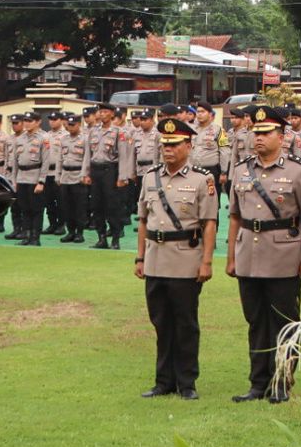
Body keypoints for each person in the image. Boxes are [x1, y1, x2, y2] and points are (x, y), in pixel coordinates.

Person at [226, 106, 301, 403]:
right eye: (256, 133)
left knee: (284, 322)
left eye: (266, 133)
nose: (259, 139)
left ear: (282, 136)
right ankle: (258, 382)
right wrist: (231, 257)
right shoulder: (242, 169)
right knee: (255, 321)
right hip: (249, 254)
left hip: (283, 254)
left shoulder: (298, 170)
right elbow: (234, 217)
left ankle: (281, 381)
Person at [134, 116, 217, 399]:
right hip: (156, 259)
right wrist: (139, 258)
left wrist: (206, 261)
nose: (167, 149)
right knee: (161, 322)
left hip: (185, 259)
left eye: (174, 144)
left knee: (185, 323)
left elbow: (209, 223)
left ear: (188, 145)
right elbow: (143, 220)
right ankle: (164, 380)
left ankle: (187, 382)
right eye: (164, 144)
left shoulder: (202, 179)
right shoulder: (149, 177)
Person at [87, 102, 132, 250]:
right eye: (101, 112)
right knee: (96, 206)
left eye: (106, 112)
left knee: (113, 206)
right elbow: (88, 154)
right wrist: (85, 173)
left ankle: (115, 239)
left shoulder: (118, 132)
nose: (102, 114)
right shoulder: (93, 131)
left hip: (110, 171)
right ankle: (101, 238)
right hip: (95, 170)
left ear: (112, 114)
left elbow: (124, 156)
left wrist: (122, 177)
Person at [8, 111, 50, 245]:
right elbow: (14, 161)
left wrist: (41, 181)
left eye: (30, 121)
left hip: (35, 176)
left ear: (38, 122)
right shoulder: (20, 139)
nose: (27, 123)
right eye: (25, 120)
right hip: (21, 177)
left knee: (36, 209)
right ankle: (25, 236)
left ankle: (35, 237)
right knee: (24, 208)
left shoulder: (44, 137)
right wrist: (14, 181)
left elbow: (46, 161)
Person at [56, 111, 91, 243]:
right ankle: (70, 231)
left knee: (79, 207)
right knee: (66, 206)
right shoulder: (64, 139)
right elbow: (60, 158)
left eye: (72, 124)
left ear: (79, 124)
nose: (70, 127)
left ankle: (79, 232)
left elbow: (86, 159)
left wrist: (84, 175)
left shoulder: (85, 139)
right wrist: (57, 175)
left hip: (78, 176)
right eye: (68, 124)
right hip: (65, 176)